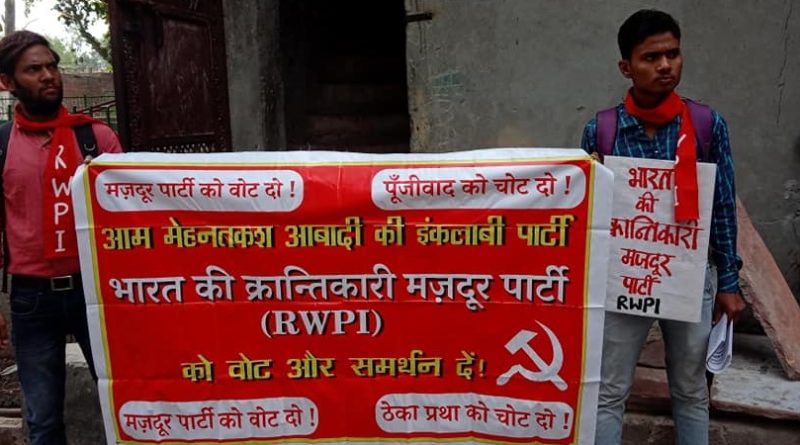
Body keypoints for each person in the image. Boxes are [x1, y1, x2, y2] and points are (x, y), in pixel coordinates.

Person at [581, 10, 747, 445]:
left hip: (691, 276)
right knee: (609, 391)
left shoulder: (706, 125)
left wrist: (729, 282)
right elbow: (589, 216)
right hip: (624, 279)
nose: (665, 65)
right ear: (626, 67)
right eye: (651, 57)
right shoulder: (602, 131)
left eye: (673, 54)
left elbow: (722, 205)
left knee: (691, 391)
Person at [0, 30, 122, 444]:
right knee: (44, 419)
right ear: (8, 82)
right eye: (33, 69)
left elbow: (129, 216)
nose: (49, 76)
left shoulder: (96, 138)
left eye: (52, 66)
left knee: (123, 403)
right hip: (31, 298)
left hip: (97, 291)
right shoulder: (2, 145)